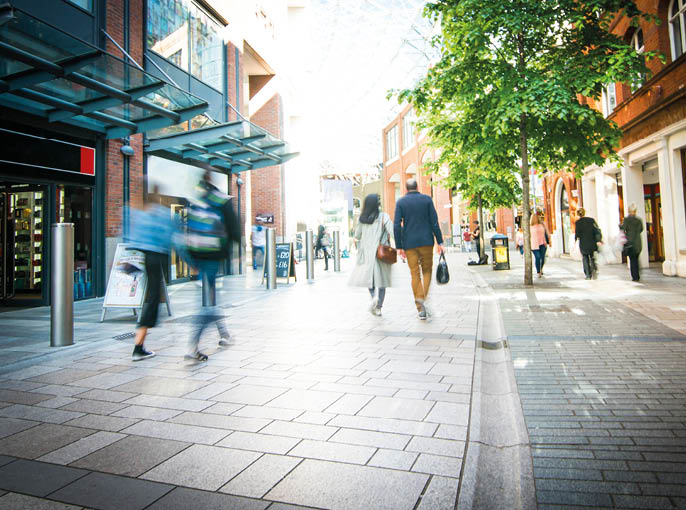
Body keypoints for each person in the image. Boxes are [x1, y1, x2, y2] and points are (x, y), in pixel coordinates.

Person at [185, 171, 240, 361]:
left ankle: (224, 334)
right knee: (207, 303)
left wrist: (192, 260)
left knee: (210, 296)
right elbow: (234, 229)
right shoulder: (222, 200)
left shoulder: (197, 201)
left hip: (198, 257)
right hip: (213, 257)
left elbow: (189, 230)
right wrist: (234, 253)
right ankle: (193, 346)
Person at [126, 186, 175, 361]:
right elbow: (173, 238)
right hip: (157, 257)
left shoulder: (140, 213)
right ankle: (138, 347)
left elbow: (132, 236)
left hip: (145, 258)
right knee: (152, 299)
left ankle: (140, 344)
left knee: (152, 298)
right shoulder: (162, 214)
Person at [393, 178, 444, 320]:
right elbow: (434, 222)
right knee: (427, 271)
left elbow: (396, 224)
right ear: (417, 187)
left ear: (406, 188)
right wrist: (440, 241)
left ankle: (420, 305)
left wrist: (399, 246)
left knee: (415, 274)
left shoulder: (401, 202)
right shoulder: (427, 200)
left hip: (409, 244)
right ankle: (423, 299)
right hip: (427, 241)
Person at [349, 194, 394, 316]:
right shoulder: (384, 217)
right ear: (377, 205)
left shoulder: (362, 219)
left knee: (370, 279)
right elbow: (393, 231)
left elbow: (357, 235)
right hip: (381, 253)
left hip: (367, 254)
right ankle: (379, 306)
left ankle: (374, 296)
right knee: (382, 281)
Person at [575, 208, 602, 280]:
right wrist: (598, 240)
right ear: (584, 213)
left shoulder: (578, 223)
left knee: (585, 258)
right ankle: (594, 269)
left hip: (583, 243)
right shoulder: (591, 220)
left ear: (578, 214)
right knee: (592, 256)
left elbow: (577, 234)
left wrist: (575, 240)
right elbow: (597, 230)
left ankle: (588, 275)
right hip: (592, 242)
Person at [620, 203, 644, 281]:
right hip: (638, 242)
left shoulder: (626, 219)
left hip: (630, 242)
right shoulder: (639, 220)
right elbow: (641, 229)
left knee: (632, 260)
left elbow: (623, 228)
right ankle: (637, 275)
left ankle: (635, 276)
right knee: (636, 259)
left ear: (629, 211)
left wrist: (620, 226)